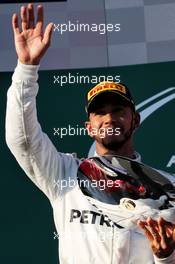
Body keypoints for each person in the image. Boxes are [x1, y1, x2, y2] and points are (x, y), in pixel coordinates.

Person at [5, 3, 175, 264]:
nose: (109, 118)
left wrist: (166, 258)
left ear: (136, 119)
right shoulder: (64, 173)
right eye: (99, 113)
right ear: (89, 127)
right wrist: (26, 70)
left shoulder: (166, 188)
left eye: (118, 110)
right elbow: (23, 141)